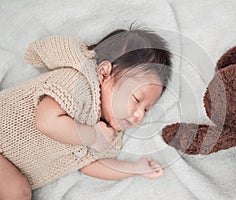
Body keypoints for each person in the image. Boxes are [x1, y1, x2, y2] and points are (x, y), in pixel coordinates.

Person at [0, 27, 172, 200]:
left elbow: (89, 164)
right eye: (136, 99)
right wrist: (92, 136)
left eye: (146, 109)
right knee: (17, 192)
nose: (139, 116)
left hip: (8, 169)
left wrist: (134, 168)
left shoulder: (108, 132)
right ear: (105, 73)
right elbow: (46, 121)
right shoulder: (79, 82)